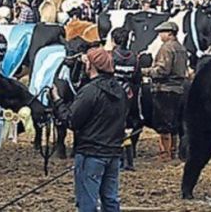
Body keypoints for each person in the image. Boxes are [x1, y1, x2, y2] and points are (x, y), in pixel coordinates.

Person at [51, 47, 128, 212]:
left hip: (91, 153)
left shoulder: (90, 91)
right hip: (113, 153)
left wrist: (57, 101)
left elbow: (72, 120)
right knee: (111, 200)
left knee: (88, 203)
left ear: (92, 66)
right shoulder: (120, 90)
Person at [141, 21, 189, 161]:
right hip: (178, 88)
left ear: (169, 33)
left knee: (164, 123)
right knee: (173, 122)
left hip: (164, 89)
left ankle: (165, 154)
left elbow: (162, 70)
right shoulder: (180, 48)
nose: (160, 35)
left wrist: (143, 71)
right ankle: (173, 151)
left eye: (162, 32)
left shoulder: (167, 48)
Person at [110, 27, 141, 171]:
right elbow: (137, 78)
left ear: (113, 40)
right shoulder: (134, 57)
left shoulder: (111, 56)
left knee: (113, 126)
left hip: (112, 94)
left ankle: (118, 159)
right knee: (127, 127)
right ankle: (129, 160)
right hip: (129, 94)